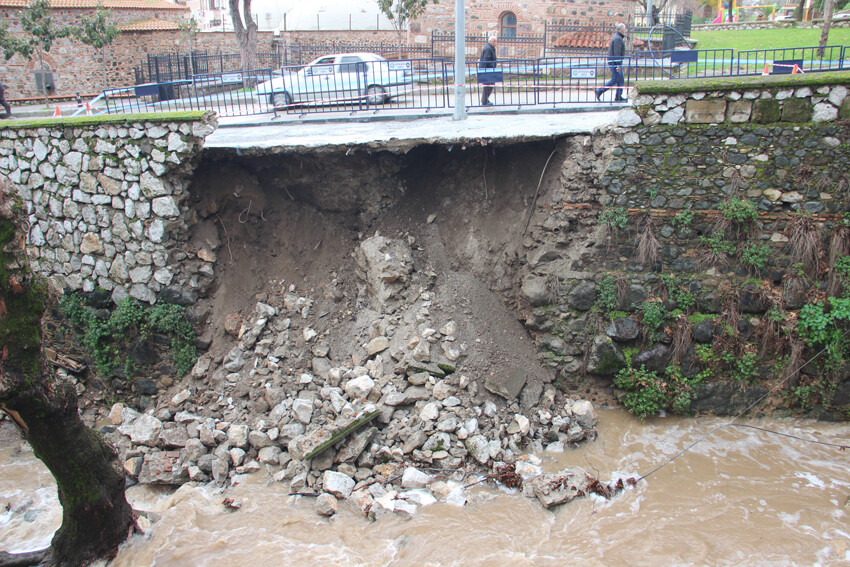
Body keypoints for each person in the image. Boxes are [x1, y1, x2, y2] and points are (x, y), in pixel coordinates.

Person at [595, 23, 627, 103]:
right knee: (615, 79)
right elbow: (617, 53)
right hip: (615, 63)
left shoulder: (617, 37)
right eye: (625, 29)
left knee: (620, 79)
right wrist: (618, 65)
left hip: (614, 62)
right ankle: (600, 91)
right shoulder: (618, 39)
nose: (625, 30)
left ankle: (618, 96)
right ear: (622, 30)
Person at [479, 35, 497, 106]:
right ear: (490, 41)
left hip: (489, 70)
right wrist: (490, 68)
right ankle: (484, 101)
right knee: (488, 85)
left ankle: (485, 99)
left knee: (489, 85)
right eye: (494, 41)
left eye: (496, 41)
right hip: (487, 70)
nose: (495, 43)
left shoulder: (490, 48)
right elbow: (486, 60)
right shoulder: (488, 49)